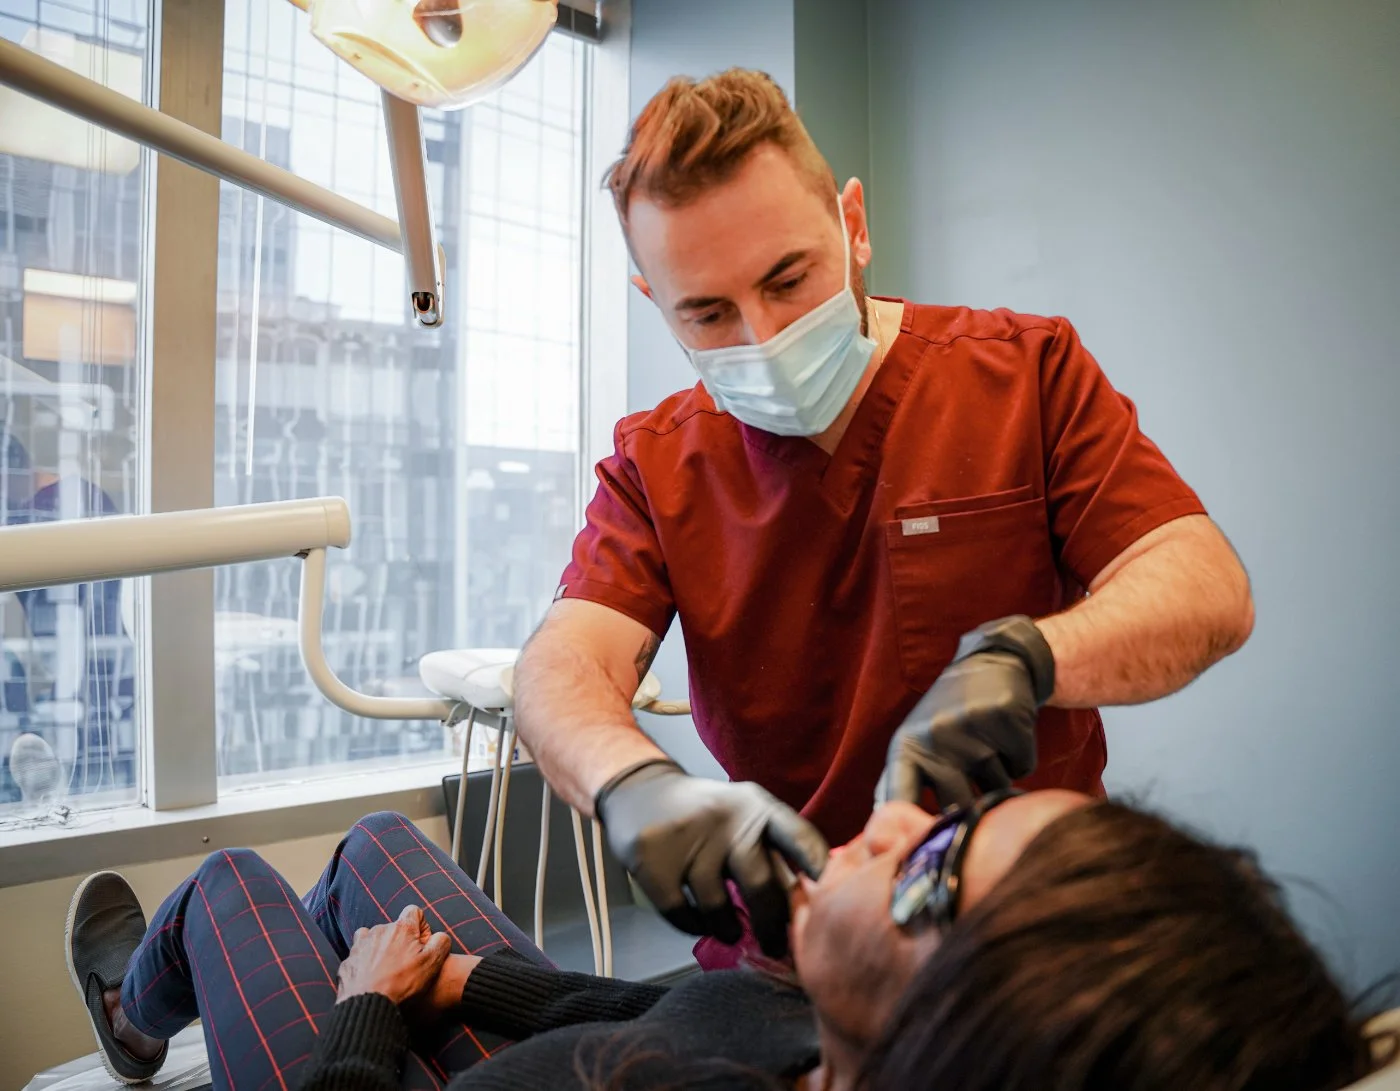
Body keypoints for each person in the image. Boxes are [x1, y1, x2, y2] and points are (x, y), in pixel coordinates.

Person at [513, 69, 1256, 966]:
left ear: (852, 225)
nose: (764, 337)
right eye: (708, 313)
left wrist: (1031, 658)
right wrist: (627, 782)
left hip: (1030, 940)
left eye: (789, 279)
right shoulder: (657, 462)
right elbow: (564, 663)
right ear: (654, 302)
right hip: (797, 949)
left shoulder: (1023, 375)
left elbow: (1206, 585)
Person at [66, 797, 1386, 1090]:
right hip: (506, 1022)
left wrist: (364, 1006)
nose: (899, 813)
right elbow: (648, 1002)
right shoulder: (824, 1030)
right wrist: (466, 977)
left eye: (935, 863)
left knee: (235, 877)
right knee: (368, 848)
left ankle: (132, 1022)